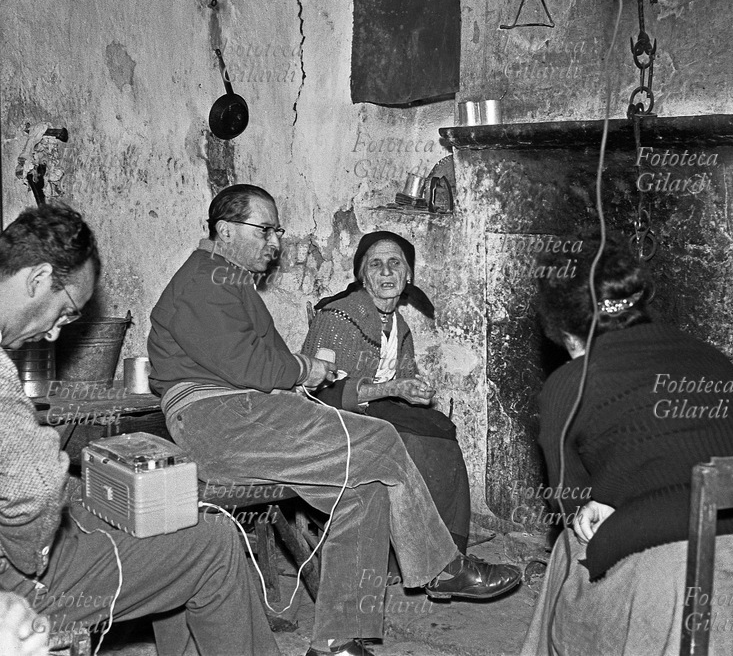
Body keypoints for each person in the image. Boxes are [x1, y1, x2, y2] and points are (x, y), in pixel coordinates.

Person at [148, 184, 521, 656]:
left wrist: (299, 375)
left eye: (277, 231)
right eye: (265, 229)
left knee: (364, 491)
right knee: (382, 439)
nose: (275, 241)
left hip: (246, 416)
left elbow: (259, 362)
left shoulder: (229, 280)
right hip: (220, 418)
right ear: (225, 230)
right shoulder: (206, 280)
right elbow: (251, 367)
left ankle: (336, 642)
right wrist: (310, 369)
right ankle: (444, 565)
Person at [0, 203, 277, 656]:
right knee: (213, 542)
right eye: (65, 312)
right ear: (36, 279)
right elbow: (32, 486)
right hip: (14, 583)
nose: (53, 334)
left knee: (145, 523)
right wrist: (36, 557)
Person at [520, 234, 733, 655]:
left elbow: (569, 503)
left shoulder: (569, 385)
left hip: (680, 575)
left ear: (563, 330)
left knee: (569, 545)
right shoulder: (709, 356)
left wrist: (593, 505)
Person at [302, 231, 471, 553]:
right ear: (363, 276)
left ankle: (447, 547)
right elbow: (321, 391)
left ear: (408, 276)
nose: (386, 272)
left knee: (440, 428)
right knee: (415, 441)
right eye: (375, 264)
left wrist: (416, 389)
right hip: (334, 421)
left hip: (375, 413)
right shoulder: (339, 316)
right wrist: (394, 388)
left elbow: (404, 374)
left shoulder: (399, 325)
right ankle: (423, 553)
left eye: (395, 263)